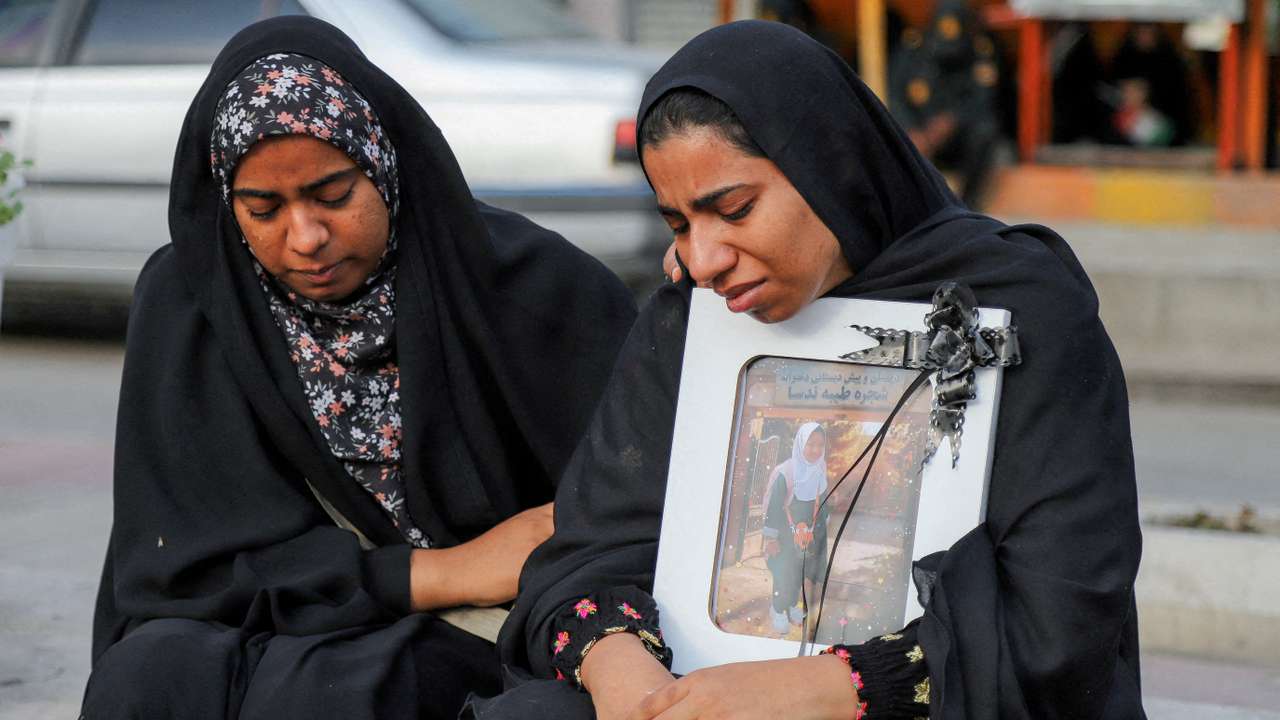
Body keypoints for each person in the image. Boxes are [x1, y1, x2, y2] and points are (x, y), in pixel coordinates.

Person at [478, 20, 1145, 720]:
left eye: (733, 210)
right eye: (678, 225)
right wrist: (628, 680)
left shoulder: (1019, 312)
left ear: (829, 165)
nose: (703, 259)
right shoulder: (693, 316)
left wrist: (823, 691)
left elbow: (1057, 618)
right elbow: (592, 551)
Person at [80, 16, 637, 720]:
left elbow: (623, 516)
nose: (306, 238)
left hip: (475, 633)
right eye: (263, 209)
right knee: (149, 679)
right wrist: (436, 571)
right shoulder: (189, 304)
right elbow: (175, 571)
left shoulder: (532, 290)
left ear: (384, 161)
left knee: (344, 690)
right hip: (264, 614)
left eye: (333, 195)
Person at [888, 0, 1002, 209]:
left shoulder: (978, 54)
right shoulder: (913, 51)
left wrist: (952, 121)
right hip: (919, 134)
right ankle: (910, 206)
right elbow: (895, 95)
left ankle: (968, 205)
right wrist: (911, 129)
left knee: (986, 131)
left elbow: (982, 101)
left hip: (956, 139)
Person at [762, 422, 831, 635]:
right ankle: (777, 609)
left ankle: (792, 606)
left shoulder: (820, 469)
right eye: (811, 444)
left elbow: (822, 501)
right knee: (784, 573)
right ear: (801, 443)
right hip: (784, 534)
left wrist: (820, 528)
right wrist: (771, 538)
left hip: (807, 534)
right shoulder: (787, 472)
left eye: (820, 445)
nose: (816, 450)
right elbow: (774, 507)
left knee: (799, 573)